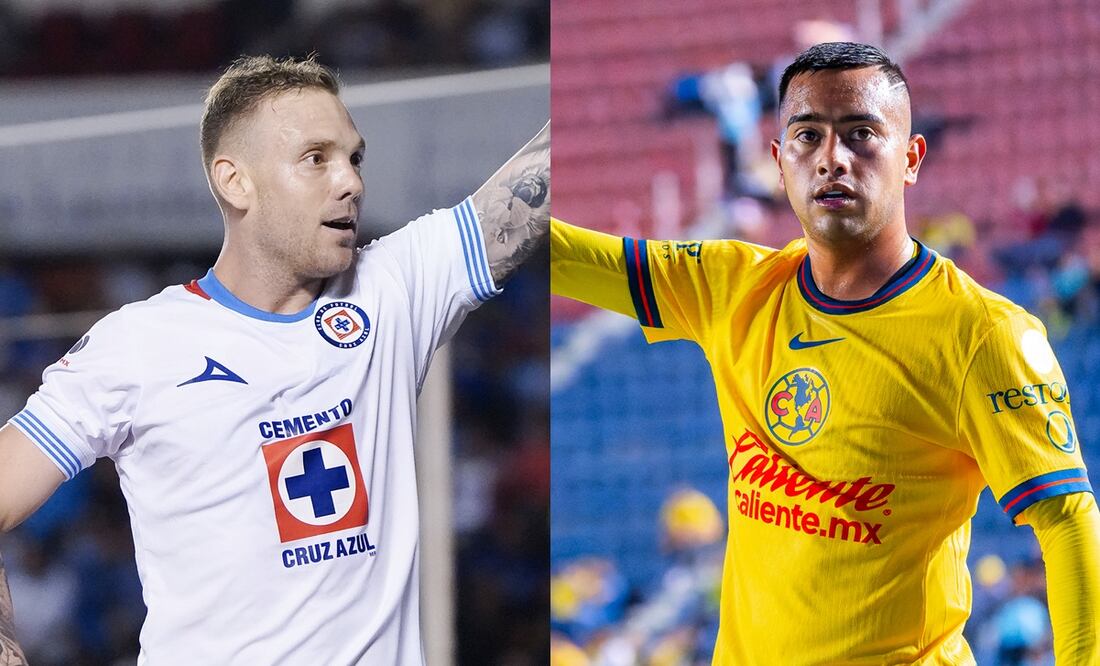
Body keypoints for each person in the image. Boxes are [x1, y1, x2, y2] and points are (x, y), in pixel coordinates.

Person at [551, 42, 1098, 664]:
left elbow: (1068, 521)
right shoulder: (731, 287)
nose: (832, 159)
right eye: (808, 137)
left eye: (861, 133)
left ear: (911, 158)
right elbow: (560, 255)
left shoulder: (983, 335)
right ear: (779, 162)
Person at [0, 54, 549, 664]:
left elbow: (540, 179)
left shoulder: (394, 289)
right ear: (235, 181)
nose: (351, 182)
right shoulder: (137, 345)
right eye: (316, 159)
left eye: (354, 158)